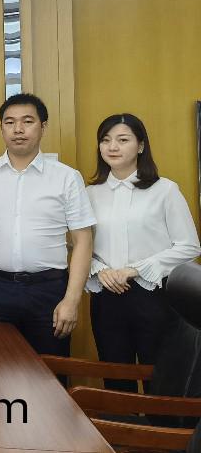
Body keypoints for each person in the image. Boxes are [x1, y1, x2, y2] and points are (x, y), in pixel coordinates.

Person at [0, 93, 95, 356]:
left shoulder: (67, 177)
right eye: (10, 122)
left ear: (43, 126)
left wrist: (72, 300)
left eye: (27, 121)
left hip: (49, 291)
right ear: (1, 127)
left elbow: (83, 240)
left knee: (50, 372)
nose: (18, 129)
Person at [86, 113, 201, 391]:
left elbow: (189, 246)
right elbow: (80, 245)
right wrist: (100, 270)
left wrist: (135, 269)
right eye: (106, 140)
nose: (113, 147)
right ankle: (120, 421)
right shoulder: (90, 193)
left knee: (158, 378)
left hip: (153, 297)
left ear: (140, 146)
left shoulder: (165, 190)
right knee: (115, 377)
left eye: (122, 140)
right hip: (106, 297)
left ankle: (158, 421)